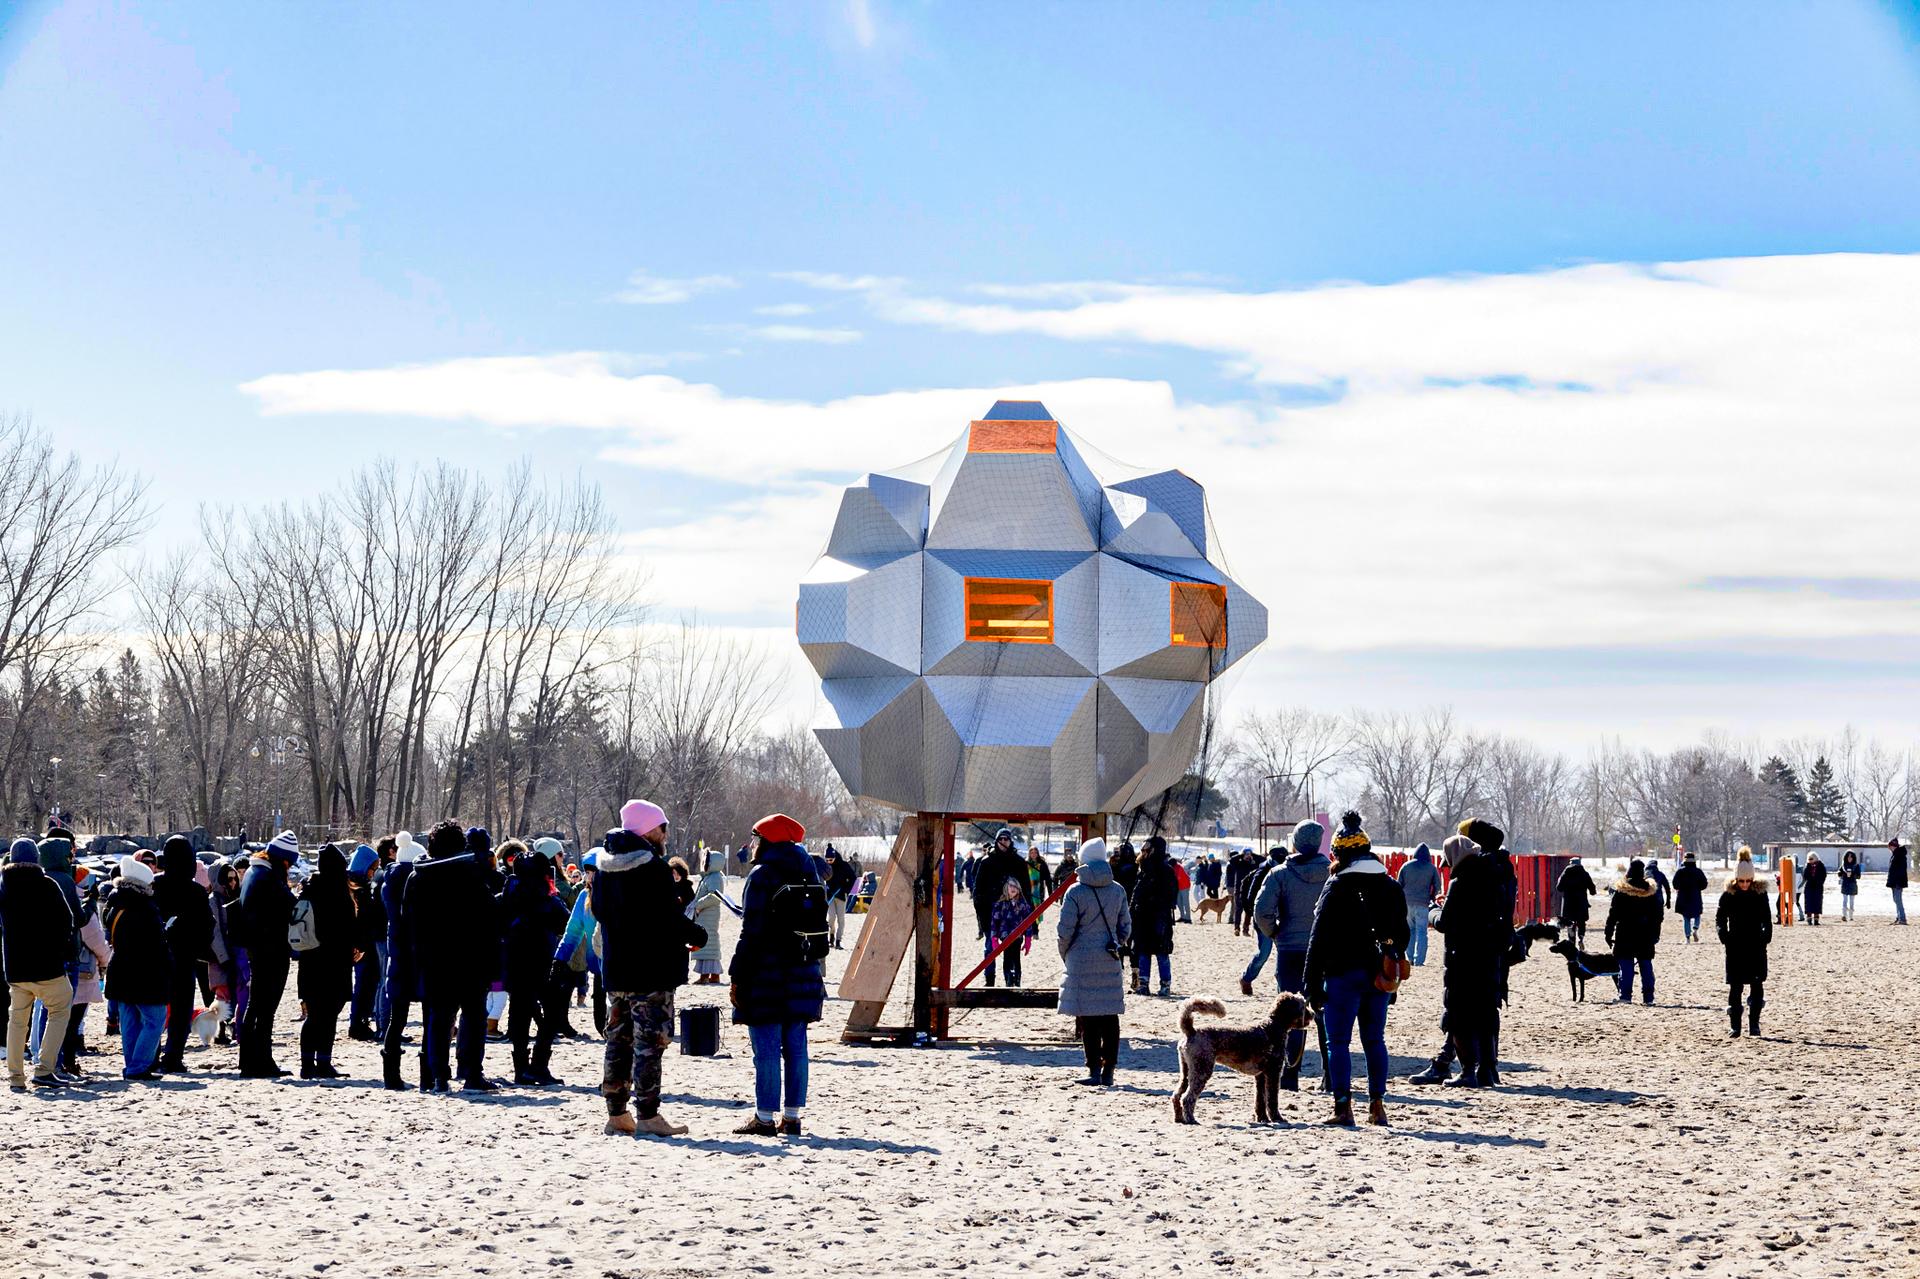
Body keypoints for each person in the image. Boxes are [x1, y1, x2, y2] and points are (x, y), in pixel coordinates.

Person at [593, 799, 706, 1137]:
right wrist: (696, 934)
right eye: (661, 827)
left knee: (618, 1040)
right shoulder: (653, 868)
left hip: (616, 969)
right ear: (648, 830)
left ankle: (616, 1114)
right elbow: (667, 917)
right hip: (651, 972)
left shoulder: (603, 868)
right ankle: (648, 1114)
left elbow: (599, 912)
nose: (665, 834)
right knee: (650, 1043)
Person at [1304, 815, 1409, 1127]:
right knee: (1374, 1040)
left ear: (1338, 854)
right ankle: (1377, 1106)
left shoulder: (1336, 886)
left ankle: (1343, 1108)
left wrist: (1310, 983)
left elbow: (1318, 938)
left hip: (1341, 974)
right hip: (1379, 974)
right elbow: (1403, 935)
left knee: (1338, 1043)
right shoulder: (1390, 886)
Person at [729, 812, 827, 1137]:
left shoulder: (762, 875)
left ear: (766, 840)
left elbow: (751, 932)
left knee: (767, 1049)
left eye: (755, 838)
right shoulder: (810, 871)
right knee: (797, 1047)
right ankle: (794, 1117)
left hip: (766, 974)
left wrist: (737, 975)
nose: (752, 844)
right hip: (804, 971)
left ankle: (764, 1118)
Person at [405, 820, 499, 1092]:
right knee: (473, 1016)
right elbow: (489, 915)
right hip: (471, 959)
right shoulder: (469, 874)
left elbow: (407, 920)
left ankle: (438, 1076)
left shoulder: (418, 876)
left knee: (439, 1017)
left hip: (434, 959)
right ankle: (471, 1073)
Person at [1, 837, 79, 1089]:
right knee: (60, 1007)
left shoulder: (3, 886)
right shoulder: (47, 884)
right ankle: (44, 1068)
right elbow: (67, 921)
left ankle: (15, 1077)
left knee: (17, 1019)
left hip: (15, 967)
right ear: (36, 859)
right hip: (47, 967)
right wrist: (60, 951)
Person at [1055, 837, 1129, 1087]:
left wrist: (1067, 954)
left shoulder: (1075, 891)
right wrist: (1115, 943)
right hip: (1109, 958)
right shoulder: (1117, 890)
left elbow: (1065, 930)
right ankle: (1110, 1070)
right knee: (1110, 1017)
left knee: (1088, 1018)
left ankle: (1093, 1070)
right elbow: (1125, 927)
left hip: (1081, 959)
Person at [1265, 821, 1328, 1089]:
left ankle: (1290, 1075)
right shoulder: (1332, 874)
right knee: (1326, 1011)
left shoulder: (1279, 874)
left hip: (1290, 949)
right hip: (1325, 950)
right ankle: (1331, 1074)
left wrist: (1276, 933)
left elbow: (1261, 911)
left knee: (1290, 1013)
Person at [501, 848, 569, 1085]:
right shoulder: (546, 898)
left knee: (519, 1014)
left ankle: (521, 1068)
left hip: (514, 962)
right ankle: (538, 1064)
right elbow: (564, 922)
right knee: (552, 1014)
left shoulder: (507, 894)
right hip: (542, 962)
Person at [102, 855, 171, 1081]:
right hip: (145, 973)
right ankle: (138, 1066)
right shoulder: (145, 908)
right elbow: (157, 945)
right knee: (154, 1020)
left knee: (129, 1020)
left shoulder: (114, 904)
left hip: (120, 969)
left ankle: (132, 1065)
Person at [237, 832, 299, 1079]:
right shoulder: (268, 877)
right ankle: (261, 1061)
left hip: (257, 948)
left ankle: (250, 1059)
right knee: (265, 1008)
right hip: (270, 949)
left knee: (255, 1006)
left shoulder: (255, 872)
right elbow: (290, 906)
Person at [153, 835, 215, 1074]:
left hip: (156, 957)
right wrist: (199, 949)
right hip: (184, 957)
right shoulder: (197, 892)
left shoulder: (154, 886)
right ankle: (174, 1057)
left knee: (154, 1008)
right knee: (180, 1011)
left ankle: (151, 1054)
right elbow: (207, 927)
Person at [296, 844, 356, 1079]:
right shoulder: (338, 891)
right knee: (329, 1014)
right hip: (335, 962)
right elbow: (348, 926)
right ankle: (323, 1061)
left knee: (314, 1015)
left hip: (310, 959)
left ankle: (307, 1063)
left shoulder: (309, 889)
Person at [378, 831, 425, 1090]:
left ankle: (391, 1076)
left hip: (396, 953)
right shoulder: (419, 882)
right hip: (419, 953)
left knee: (397, 1018)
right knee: (430, 1014)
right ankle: (427, 1072)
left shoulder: (388, 882)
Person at [1717, 850, 1772, 1038]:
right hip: (1735, 947)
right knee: (1736, 987)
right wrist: (1724, 936)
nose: (1745, 884)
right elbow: (1720, 918)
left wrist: (1767, 936)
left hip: (1756, 946)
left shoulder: (1760, 894)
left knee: (1757, 986)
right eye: (1741, 881)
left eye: (1748, 881)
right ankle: (1735, 1027)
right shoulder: (1728, 895)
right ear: (1736, 880)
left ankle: (1754, 1025)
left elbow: (1767, 918)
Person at [553, 850, 605, 1033]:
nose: (589, 877)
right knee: (600, 1016)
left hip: (620, 967)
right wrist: (559, 959)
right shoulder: (584, 896)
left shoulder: (618, 896)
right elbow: (573, 931)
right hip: (598, 966)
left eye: (594, 872)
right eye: (587, 872)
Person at [971, 830, 1032, 971]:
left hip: (1013, 915)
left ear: (1010, 841)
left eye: (1006, 839)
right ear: (996, 841)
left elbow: (1026, 891)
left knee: (1012, 952)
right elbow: (978, 890)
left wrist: (1028, 917)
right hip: (990, 912)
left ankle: (1011, 983)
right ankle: (989, 981)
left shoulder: (1019, 862)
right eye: (1001, 839)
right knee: (990, 949)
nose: (1003, 841)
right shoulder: (986, 862)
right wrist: (981, 913)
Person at [1605, 859, 1663, 1004]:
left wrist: (1608, 932)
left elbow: (1613, 914)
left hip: (1625, 932)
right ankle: (1648, 998)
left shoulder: (1621, 891)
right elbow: (1657, 916)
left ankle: (1625, 996)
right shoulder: (1650, 892)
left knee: (1625, 965)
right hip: (1646, 933)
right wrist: (1656, 933)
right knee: (1646, 965)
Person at [1129, 836, 1179, 997]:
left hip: (1159, 918)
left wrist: (1153, 902)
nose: (1142, 853)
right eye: (1141, 850)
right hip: (1142, 918)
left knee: (1161, 952)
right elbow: (1136, 892)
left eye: (1146, 850)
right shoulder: (1142, 869)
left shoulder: (1166, 871)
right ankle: (1143, 984)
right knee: (1143, 951)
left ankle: (1165, 985)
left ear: (1154, 850)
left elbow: (1171, 895)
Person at [346, 844, 387, 1040]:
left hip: (365, 943)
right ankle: (357, 1024)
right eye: (373, 867)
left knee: (366, 985)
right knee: (363, 985)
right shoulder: (357, 888)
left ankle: (361, 1021)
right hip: (361, 946)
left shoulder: (359, 885)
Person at [1239, 846, 1288, 993]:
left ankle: (1283, 987)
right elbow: (1251, 896)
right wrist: (1255, 915)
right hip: (1264, 919)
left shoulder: (1287, 870)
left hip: (1283, 917)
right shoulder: (1263, 871)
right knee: (1264, 953)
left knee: (1284, 953)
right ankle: (1246, 979)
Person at [1395, 843, 1441, 966]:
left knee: (1409, 931)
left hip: (1407, 903)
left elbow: (1399, 884)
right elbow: (1437, 886)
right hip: (1423, 903)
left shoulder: (1406, 866)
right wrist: (1431, 897)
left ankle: (1409, 958)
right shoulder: (1431, 868)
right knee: (1421, 932)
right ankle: (1419, 960)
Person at [691, 851, 728, 984]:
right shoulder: (709, 877)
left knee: (708, 942)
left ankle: (707, 975)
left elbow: (715, 896)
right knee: (706, 942)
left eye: (706, 861)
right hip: (705, 914)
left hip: (709, 914)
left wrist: (699, 905)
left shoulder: (715, 877)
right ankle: (710, 975)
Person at [986, 878, 1028, 988]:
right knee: (1007, 958)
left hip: (1018, 937)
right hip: (1005, 936)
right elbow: (994, 922)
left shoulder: (1022, 904)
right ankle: (1008, 979)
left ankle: (1017, 979)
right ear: (1006, 888)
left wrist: (1028, 939)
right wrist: (994, 939)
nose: (1013, 889)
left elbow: (1028, 922)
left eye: (1016, 887)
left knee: (1016, 958)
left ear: (1019, 889)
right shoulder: (1000, 904)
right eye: (1011, 886)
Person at [1555, 858, 1598, 947]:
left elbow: (1559, 888)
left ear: (1570, 863)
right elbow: (1592, 890)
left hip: (1568, 904)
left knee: (1570, 923)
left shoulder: (1565, 873)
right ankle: (1581, 938)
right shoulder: (1584, 873)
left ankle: (1571, 943)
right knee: (1581, 922)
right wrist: (1591, 891)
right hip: (1581, 903)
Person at [822, 847, 857, 950]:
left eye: (831, 860)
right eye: (827, 860)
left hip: (841, 896)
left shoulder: (844, 865)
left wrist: (846, 889)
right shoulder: (826, 866)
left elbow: (853, 878)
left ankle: (838, 941)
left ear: (835, 857)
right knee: (831, 918)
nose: (829, 862)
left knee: (840, 919)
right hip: (830, 897)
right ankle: (831, 937)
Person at [1673, 852, 1709, 942]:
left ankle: (1688, 938)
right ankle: (1695, 928)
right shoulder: (1698, 871)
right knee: (1697, 914)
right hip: (1695, 896)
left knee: (1686, 917)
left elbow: (1675, 884)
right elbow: (1704, 884)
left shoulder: (1680, 871)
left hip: (1683, 897)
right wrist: (1698, 888)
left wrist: (1679, 888)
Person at [1801, 851, 1827, 926]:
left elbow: (1823, 875)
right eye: (1809, 859)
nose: (1810, 860)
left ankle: (1816, 919)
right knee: (1808, 902)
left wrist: (1820, 882)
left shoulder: (1821, 866)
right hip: (1809, 886)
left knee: (1817, 902)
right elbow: (1805, 876)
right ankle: (1809, 918)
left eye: (1811, 859)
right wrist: (1808, 867)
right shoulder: (1807, 866)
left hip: (1818, 886)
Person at [1889, 839, 1909, 925]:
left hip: (1898, 882)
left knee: (1898, 900)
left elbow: (1900, 870)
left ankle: (1902, 918)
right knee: (1896, 900)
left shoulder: (1899, 855)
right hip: (1894, 881)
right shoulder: (1895, 855)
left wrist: (1897, 881)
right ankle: (1899, 916)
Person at [1838, 850, 1861, 922]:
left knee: (1852, 901)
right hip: (1845, 884)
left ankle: (1851, 916)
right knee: (1844, 900)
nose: (1849, 859)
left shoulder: (1856, 866)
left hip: (1852, 884)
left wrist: (1853, 875)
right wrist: (1842, 874)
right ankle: (1844, 915)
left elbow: (1859, 876)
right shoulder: (1843, 865)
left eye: (1851, 857)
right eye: (1848, 857)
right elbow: (1839, 872)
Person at [1172, 856, 1192, 924]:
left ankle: (1188, 918)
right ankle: (1183, 916)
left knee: (1185, 903)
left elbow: (1178, 878)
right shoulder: (1174, 867)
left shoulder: (1180, 867)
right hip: (1179, 887)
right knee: (1179, 903)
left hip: (1185, 887)